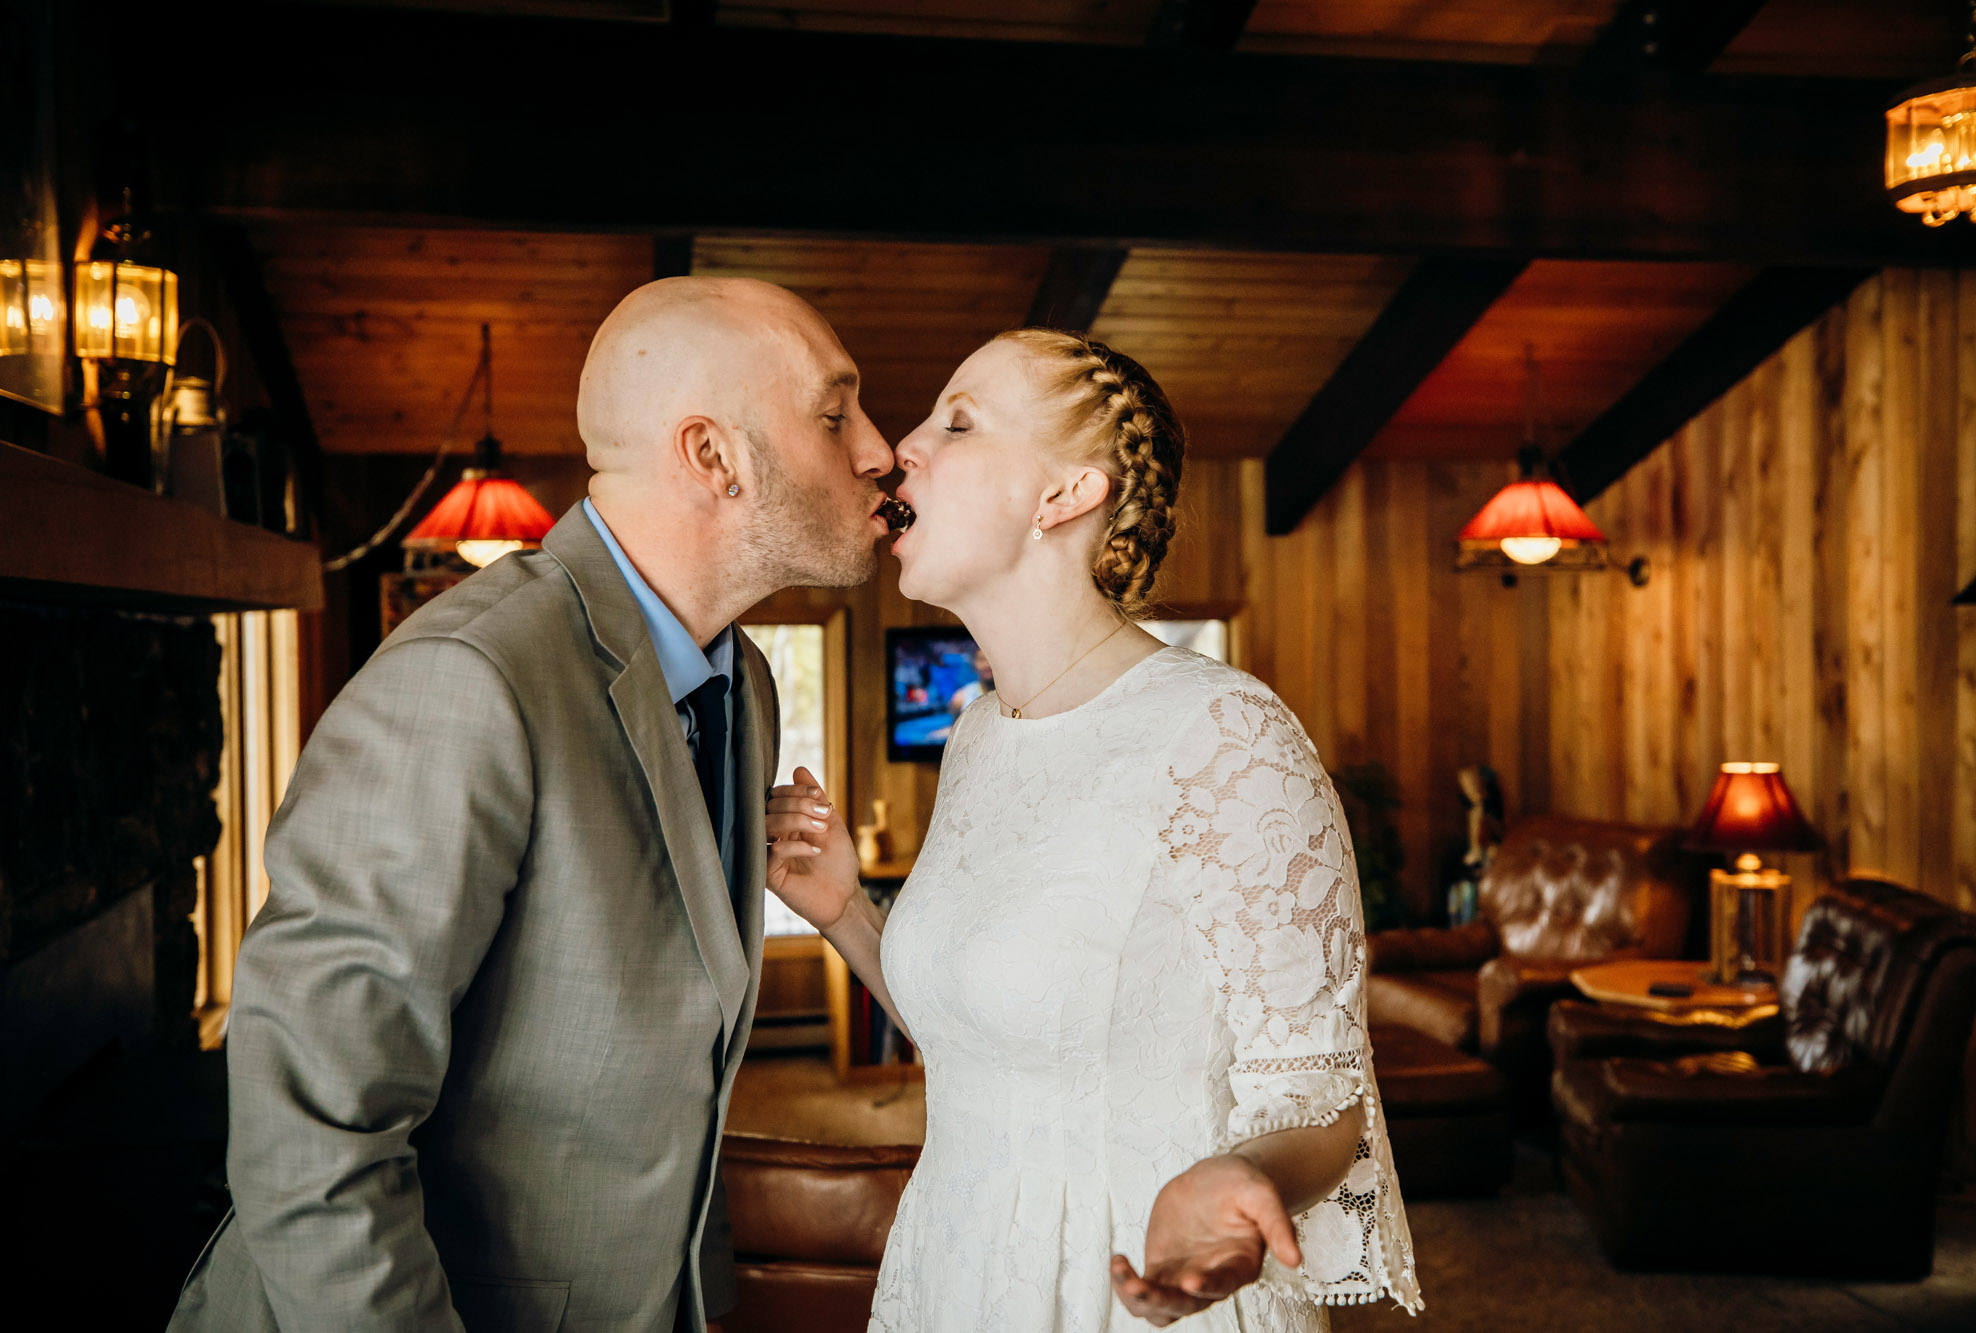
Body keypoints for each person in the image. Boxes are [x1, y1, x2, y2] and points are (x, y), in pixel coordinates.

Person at [169, 277, 896, 1333]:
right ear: (712, 456)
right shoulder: (465, 678)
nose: (879, 448)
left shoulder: (747, 684)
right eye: (835, 414)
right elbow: (313, 1133)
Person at [766, 329, 1421, 1329]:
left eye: (956, 419)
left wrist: (1237, 1176)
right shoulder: (976, 736)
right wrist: (844, 910)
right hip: (958, 1261)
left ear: (1064, 495)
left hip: (1123, 1278)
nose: (901, 447)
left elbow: (1320, 1101)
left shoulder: (1224, 736)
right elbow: (988, 1040)